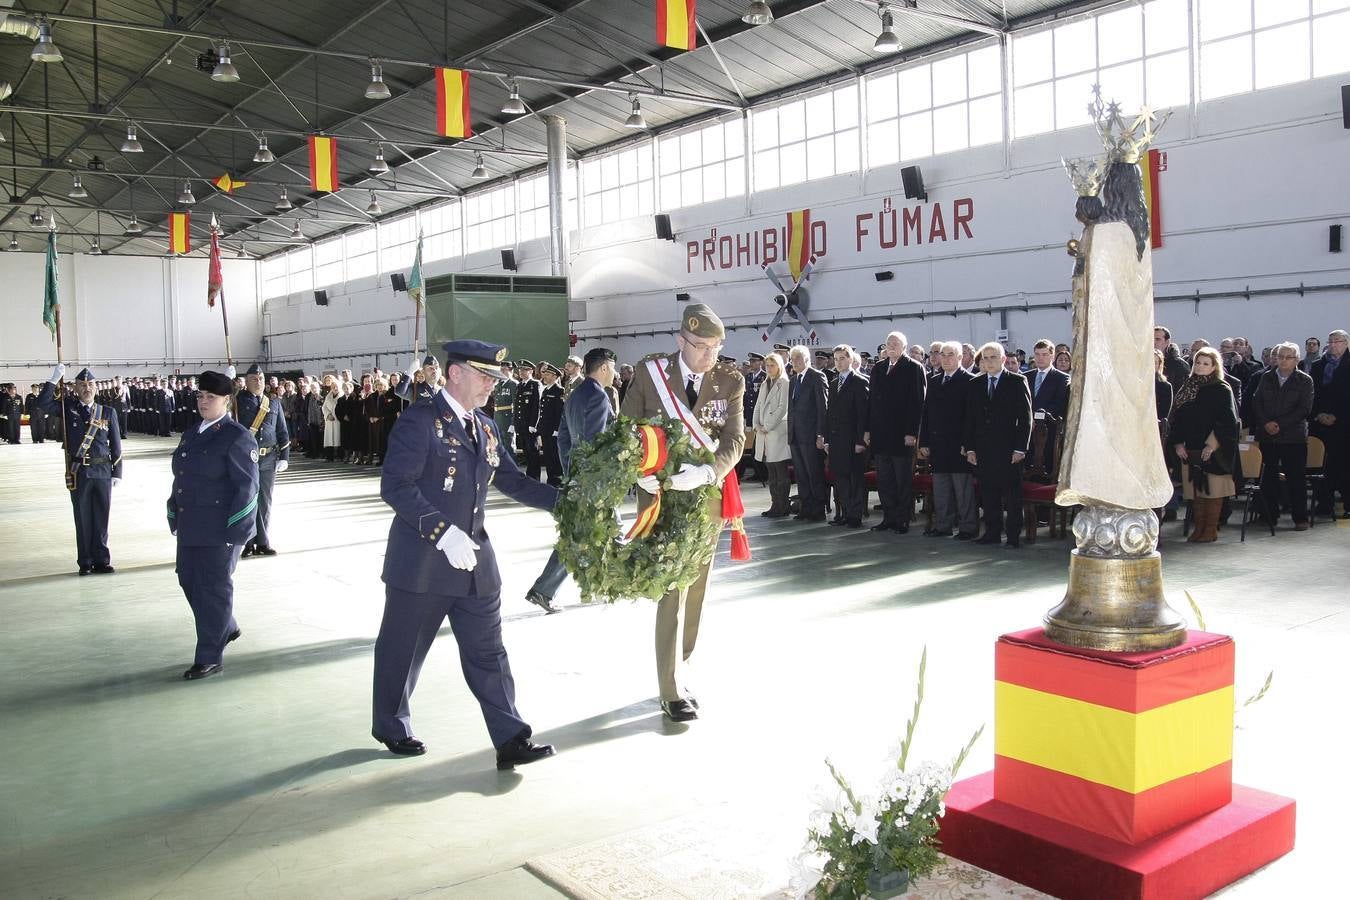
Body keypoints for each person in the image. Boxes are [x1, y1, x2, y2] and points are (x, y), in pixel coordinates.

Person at [372, 340, 558, 769]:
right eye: (484, 376)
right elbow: (396, 485)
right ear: (455, 374)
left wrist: (567, 502)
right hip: (422, 562)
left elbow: (512, 480)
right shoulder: (420, 421)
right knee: (403, 650)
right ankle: (391, 724)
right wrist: (442, 532)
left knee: (488, 652)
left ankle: (511, 737)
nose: (492, 386)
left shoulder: (485, 426)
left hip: (475, 563)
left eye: (495, 379)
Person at [620, 304, 745, 723]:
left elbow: (735, 438)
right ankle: (669, 687)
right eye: (701, 346)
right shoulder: (650, 373)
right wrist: (640, 475)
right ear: (681, 341)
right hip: (660, 499)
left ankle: (682, 666)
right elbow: (626, 430)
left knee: (696, 589)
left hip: (705, 498)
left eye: (716, 346)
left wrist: (710, 470)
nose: (709, 355)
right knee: (671, 589)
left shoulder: (730, 381)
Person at [167, 371, 259, 680]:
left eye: (211, 397)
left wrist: (236, 534)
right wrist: (174, 513)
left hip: (221, 529)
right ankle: (226, 626)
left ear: (227, 400)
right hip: (192, 523)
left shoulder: (236, 436)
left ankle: (209, 655)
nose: (204, 402)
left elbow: (248, 488)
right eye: (200, 396)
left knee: (214, 590)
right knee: (188, 581)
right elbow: (182, 476)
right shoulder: (192, 433)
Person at [525, 347, 619, 613]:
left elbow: (564, 438)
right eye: (611, 367)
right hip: (594, 481)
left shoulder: (576, 394)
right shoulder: (599, 397)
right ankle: (546, 590)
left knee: (597, 533)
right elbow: (595, 443)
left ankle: (602, 585)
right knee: (585, 536)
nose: (613, 372)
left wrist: (571, 471)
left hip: (578, 476)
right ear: (603, 368)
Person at [37, 366, 123, 575]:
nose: (87, 388)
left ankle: (102, 560)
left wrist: (117, 472)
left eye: (91, 385)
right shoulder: (68, 409)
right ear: (76, 388)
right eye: (82, 385)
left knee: (102, 518)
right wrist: (54, 379)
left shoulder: (107, 412)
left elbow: (116, 444)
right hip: (80, 473)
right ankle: (85, 561)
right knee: (83, 518)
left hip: (102, 472)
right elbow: (42, 404)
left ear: (96, 388)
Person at [964, 343, 1032, 548]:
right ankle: (992, 533)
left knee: (1012, 496)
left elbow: (1026, 418)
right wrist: (970, 448)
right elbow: (969, 418)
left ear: (1003, 360)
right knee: (988, 493)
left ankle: (1012, 536)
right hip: (984, 449)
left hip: (1009, 450)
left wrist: (1021, 448)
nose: (989, 361)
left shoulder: (1017, 381)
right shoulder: (975, 383)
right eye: (985, 358)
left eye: (993, 357)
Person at [1170, 348, 1239, 542]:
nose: (1200, 366)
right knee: (1195, 491)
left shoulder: (1221, 389)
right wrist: (1177, 443)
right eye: (1198, 362)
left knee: (1212, 490)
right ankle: (1198, 527)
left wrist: (1211, 445)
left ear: (1214, 367)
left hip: (1213, 450)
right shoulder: (1188, 386)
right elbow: (1177, 418)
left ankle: (1210, 529)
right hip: (1190, 446)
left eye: (1205, 363)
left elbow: (1227, 422)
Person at [1250, 342, 1314, 531]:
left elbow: (1304, 408)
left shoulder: (1305, 380)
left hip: (1293, 438)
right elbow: (1256, 402)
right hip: (1267, 436)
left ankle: (1300, 518)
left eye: (1288, 357)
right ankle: (1269, 516)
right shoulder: (1266, 377)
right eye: (1280, 357)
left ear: (1297, 360)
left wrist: (1279, 424)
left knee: (1296, 479)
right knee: (1267, 478)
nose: (1283, 361)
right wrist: (1266, 423)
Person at [866, 331, 925, 534]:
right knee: (885, 480)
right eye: (888, 343)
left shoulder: (914, 368)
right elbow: (872, 401)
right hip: (881, 434)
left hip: (902, 435)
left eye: (895, 343)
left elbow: (917, 403)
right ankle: (888, 518)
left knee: (902, 480)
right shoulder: (879, 368)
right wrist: (869, 430)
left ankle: (903, 519)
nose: (891, 345)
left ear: (904, 347)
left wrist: (912, 432)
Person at [920, 341, 977, 539]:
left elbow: (971, 417)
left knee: (963, 490)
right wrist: (924, 442)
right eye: (942, 355)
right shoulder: (934, 381)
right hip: (938, 444)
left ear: (960, 357)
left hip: (959, 445)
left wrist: (968, 445)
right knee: (941, 488)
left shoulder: (970, 380)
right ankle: (943, 525)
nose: (945, 359)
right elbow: (926, 415)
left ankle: (968, 527)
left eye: (950, 355)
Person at [235, 364, 290, 558]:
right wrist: (229, 383)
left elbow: (282, 431)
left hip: (269, 459)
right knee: (249, 501)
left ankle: (263, 542)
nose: (258, 382)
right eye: (253, 379)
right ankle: (249, 543)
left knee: (265, 502)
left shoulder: (273, 403)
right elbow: (224, 407)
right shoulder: (237, 401)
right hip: (246, 460)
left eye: (261, 378)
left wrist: (284, 456)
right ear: (246, 381)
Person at [825, 344, 869, 529]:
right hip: (836, 439)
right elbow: (829, 413)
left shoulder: (860, 381)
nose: (839, 362)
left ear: (851, 359)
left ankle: (855, 515)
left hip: (852, 439)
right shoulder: (834, 383)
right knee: (841, 479)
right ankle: (844, 512)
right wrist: (826, 439)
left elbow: (863, 414)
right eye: (836, 359)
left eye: (842, 358)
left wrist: (861, 440)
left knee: (855, 479)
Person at [1308, 329, 1349, 517]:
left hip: (1344, 424)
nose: (1333, 345)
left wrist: (1337, 416)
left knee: (1344, 465)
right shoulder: (1318, 366)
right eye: (1330, 341)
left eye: (1337, 341)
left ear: (1346, 343)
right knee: (1322, 465)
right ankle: (1324, 503)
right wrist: (1318, 414)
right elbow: (1311, 395)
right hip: (1320, 423)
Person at [787, 345, 829, 522]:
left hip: (811, 435)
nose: (794, 362)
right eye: (792, 359)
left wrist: (821, 434)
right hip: (796, 434)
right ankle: (806, 507)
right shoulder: (794, 380)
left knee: (814, 473)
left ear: (806, 359)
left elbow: (823, 408)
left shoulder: (817, 376)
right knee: (801, 474)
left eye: (797, 358)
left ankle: (818, 509)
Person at [752, 350, 791, 518]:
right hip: (764, 433)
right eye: (767, 365)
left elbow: (783, 408)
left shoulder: (784, 382)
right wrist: (756, 424)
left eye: (772, 365)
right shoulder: (765, 383)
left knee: (780, 472)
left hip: (777, 432)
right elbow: (758, 406)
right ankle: (775, 504)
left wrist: (767, 425)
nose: (769, 368)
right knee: (771, 472)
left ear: (779, 366)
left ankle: (782, 506)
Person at [513, 360, 543, 479]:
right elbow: (517, 406)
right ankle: (529, 476)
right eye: (520, 370)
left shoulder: (535, 384)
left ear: (531, 371)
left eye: (524, 370)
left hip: (530, 425)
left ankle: (535, 477)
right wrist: (516, 423)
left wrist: (534, 424)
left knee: (533, 452)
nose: (521, 372)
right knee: (526, 451)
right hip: (522, 424)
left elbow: (537, 406)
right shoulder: (520, 385)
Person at [537, 362, 566, 487]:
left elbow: (559, 412)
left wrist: (556, 429)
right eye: (545, 373)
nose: (545, 376)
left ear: (555, 377)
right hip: (545, 429)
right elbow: (542, 411)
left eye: (548, 374)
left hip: (553, 429)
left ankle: (557, 480)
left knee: (555, 455)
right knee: (548, 456)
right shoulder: (545, 390)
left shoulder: (559, 391)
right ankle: (550, 479)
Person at [321, 375, 341, 461]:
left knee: (338, 438)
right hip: (329, 420)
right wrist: (328, 415)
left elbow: (342, 408)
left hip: (337, 420)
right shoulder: (328, 396)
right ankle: (329, 456)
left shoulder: (341, 396)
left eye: (336, 386)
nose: (334, 388)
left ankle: (339, 456)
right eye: (333, 387)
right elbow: (324, 407)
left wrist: (335, 415)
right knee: (329, 439)